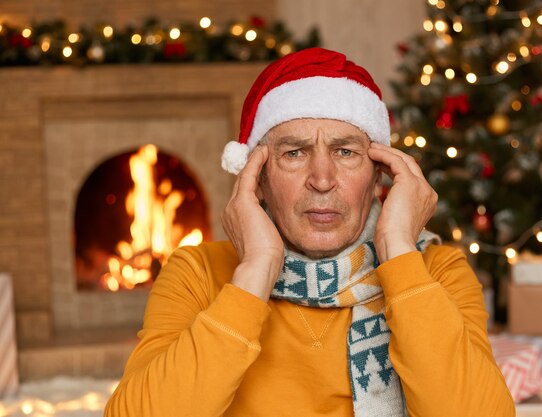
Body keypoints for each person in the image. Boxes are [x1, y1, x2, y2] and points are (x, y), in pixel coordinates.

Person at [105, 47, 515, 417]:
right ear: (257, 178)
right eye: (295, 153)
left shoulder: (434, 271)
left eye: (345, 152)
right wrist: (255, 271)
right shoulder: (197, 272)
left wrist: (398, 252)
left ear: (379, 178)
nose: (322, 179)